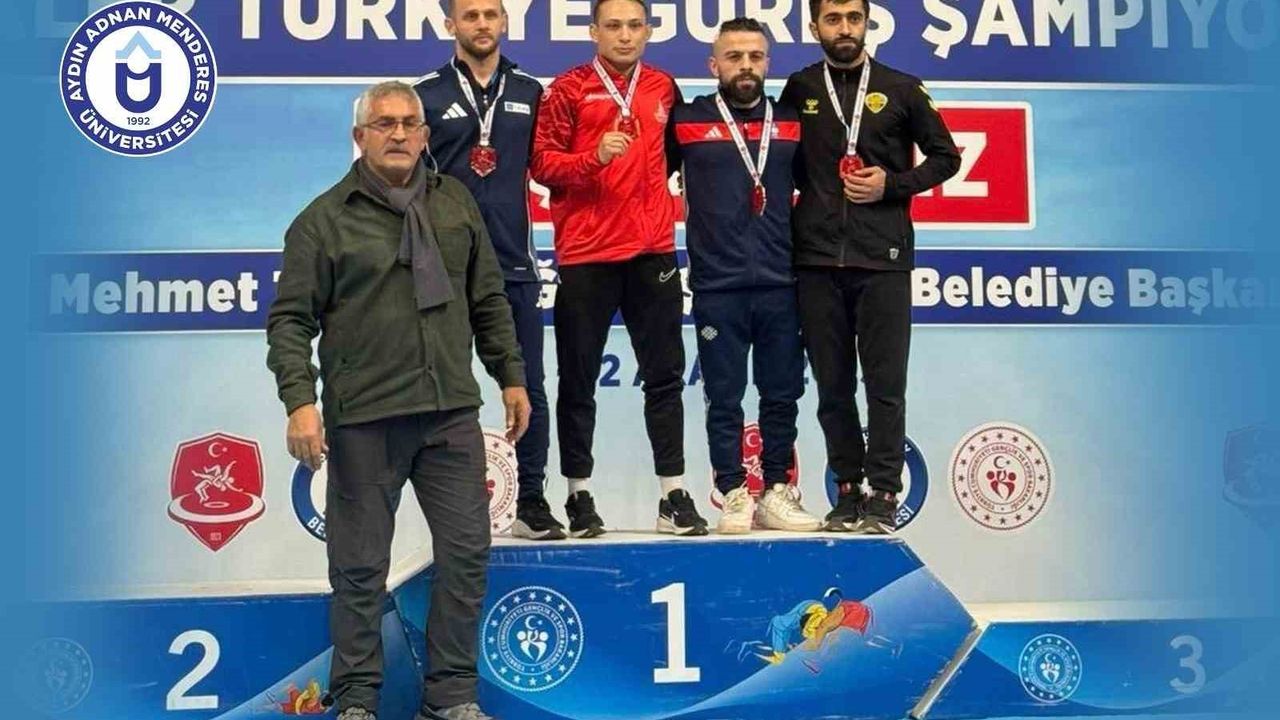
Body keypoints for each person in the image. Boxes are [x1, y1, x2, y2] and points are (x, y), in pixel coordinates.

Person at [266, 81, 528, 720]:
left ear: (425, 134)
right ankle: (357, 701)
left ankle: (451, 699)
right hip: (365, 419)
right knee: (359, 568)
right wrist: (300, 402)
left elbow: (488, 297)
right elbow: (290, 321)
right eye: (384, 123)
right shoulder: (322, 220)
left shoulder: (455, 203)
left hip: (449, 415)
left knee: (466, 556)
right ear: (359, 137)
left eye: (410, 123)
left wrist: (511, 376)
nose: (400, 134)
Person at [781, 0, 960, 534]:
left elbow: (946, 156)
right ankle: (846, 490)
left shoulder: (902, 87)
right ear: (814, 26)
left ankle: (883, 493)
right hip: (816, 261)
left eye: (853, 18)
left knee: (885, 386)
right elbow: (782, 163)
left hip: (883, 260)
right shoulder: (799, 89)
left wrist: (893, 184)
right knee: (832, 387)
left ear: (866, 23)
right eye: (833, 19)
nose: (845, 29)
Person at [531, 0, 708, 538]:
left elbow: (671, 159)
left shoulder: (663, 86)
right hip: (587, 255)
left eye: (634, 26)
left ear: (648, 31)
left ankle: (673, 494)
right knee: (578, 379)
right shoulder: (566, 89)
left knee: (665, 377)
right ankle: (578, 495)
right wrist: (594, 158)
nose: (625, 35)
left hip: (652, 252)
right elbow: (541, 165)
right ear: (594, 32)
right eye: (613, 26)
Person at [415, 0, 564, 541]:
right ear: (450, 24)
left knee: (528, 387)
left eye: (490, 14)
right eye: (470, 15)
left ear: (504, 22)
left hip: (514, 265)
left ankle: (532, 501)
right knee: (445, 391)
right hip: (446, 271)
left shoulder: (531, 91)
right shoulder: (425, 95)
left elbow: (550, 166)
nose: (481, 24)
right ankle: (449, 510)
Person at [670, 18, 821, 535]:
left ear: (767, 63)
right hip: (718, 286)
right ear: (714, 65)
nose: (745, 66)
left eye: (755, 56)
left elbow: (815, 190)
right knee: (724, 396)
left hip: (781, 281)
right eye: (734, 57)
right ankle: (733, 491)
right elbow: (646, 179)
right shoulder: (687, 120)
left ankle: (777, 489)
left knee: (781, 394)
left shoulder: (792, 121)